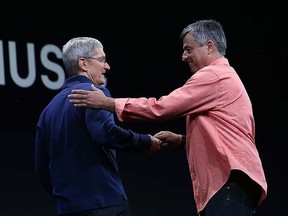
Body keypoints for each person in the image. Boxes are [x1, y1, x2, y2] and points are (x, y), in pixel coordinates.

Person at [67, 20, 268, 216]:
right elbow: (225, 135)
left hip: (229, 180)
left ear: (209, 46)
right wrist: (182, 141)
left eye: (188, 49)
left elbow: (161, 108)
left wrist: (108, 103)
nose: (183, 56)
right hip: (233, 181)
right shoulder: (224, 77)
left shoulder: (214, 76)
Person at [34, 37, 162, 216]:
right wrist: (145, 141)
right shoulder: (94, 94)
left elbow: (42, 169)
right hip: (105, 204)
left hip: (68, 209)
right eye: (102, 60)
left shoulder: (48, 111)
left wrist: (68, 197)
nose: (107, 66)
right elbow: (106, 133)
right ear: (83, 64)